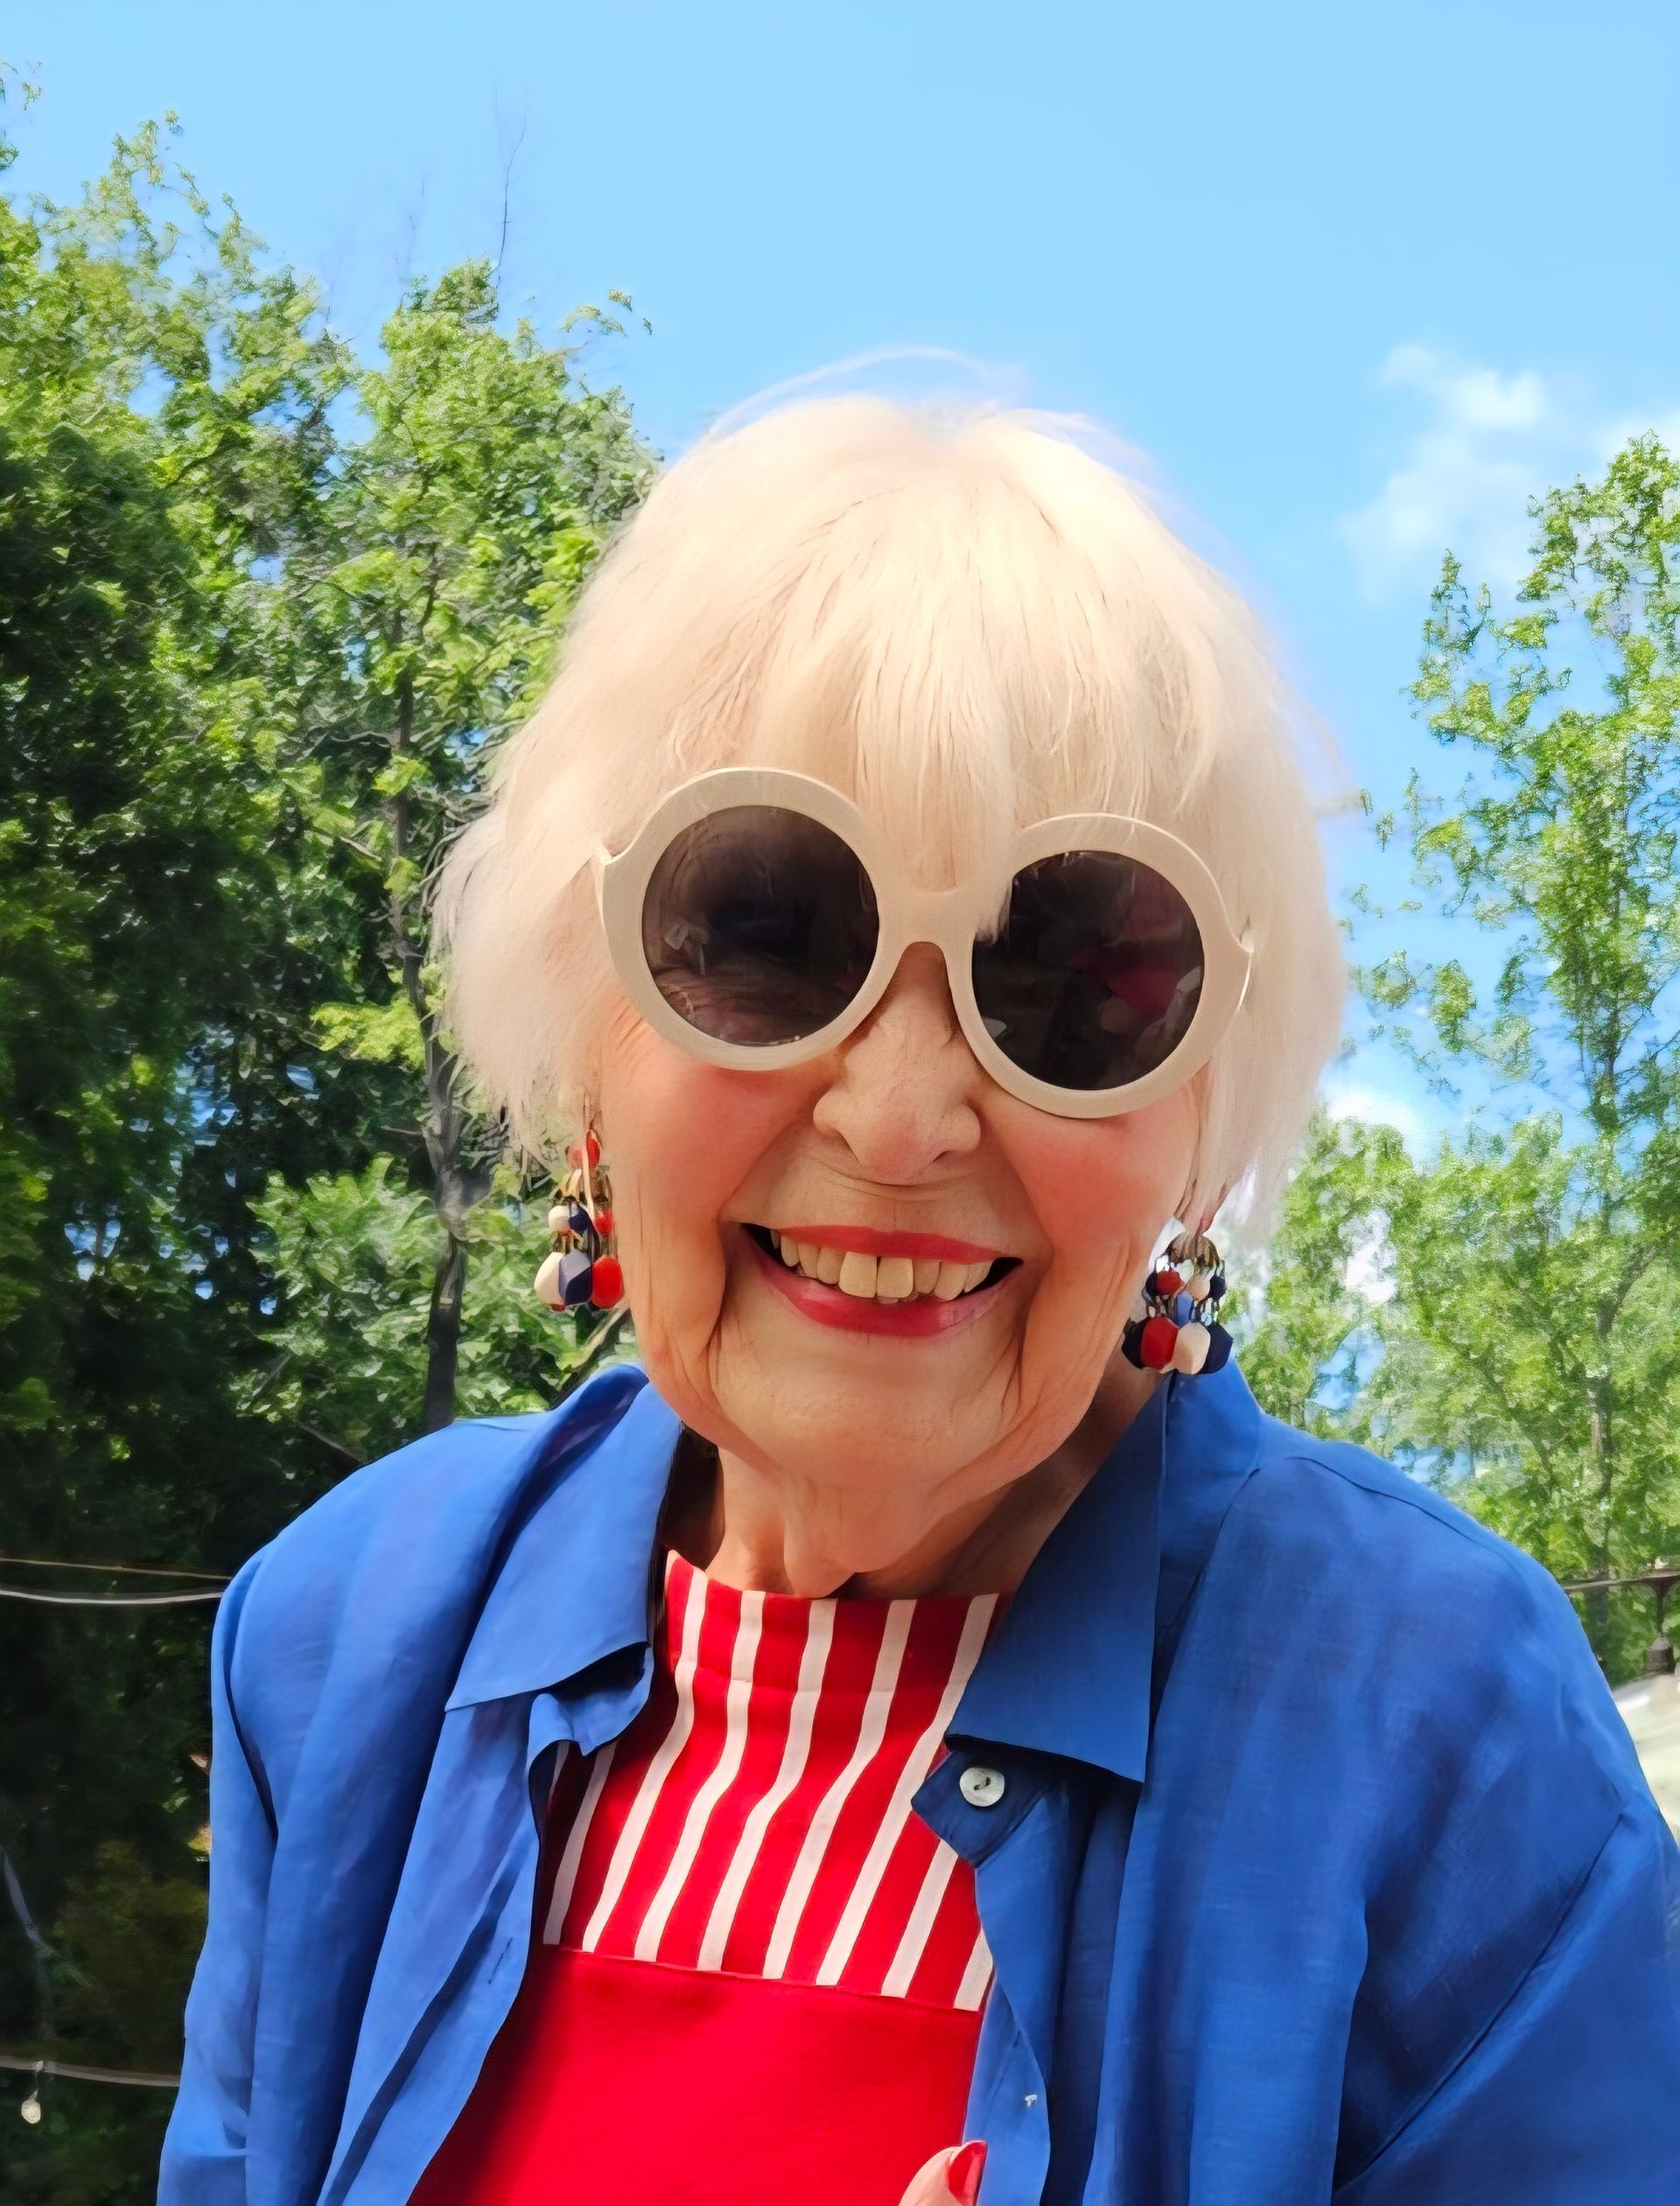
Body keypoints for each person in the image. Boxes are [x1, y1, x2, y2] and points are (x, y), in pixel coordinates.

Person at [159, 396, 1680, 2206]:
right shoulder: (347, 1636)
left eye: (1073, 978)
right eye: (764, 934)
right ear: (582, 1034)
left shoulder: (1446, 1732)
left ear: (1201, 1123)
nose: (899, 1118)